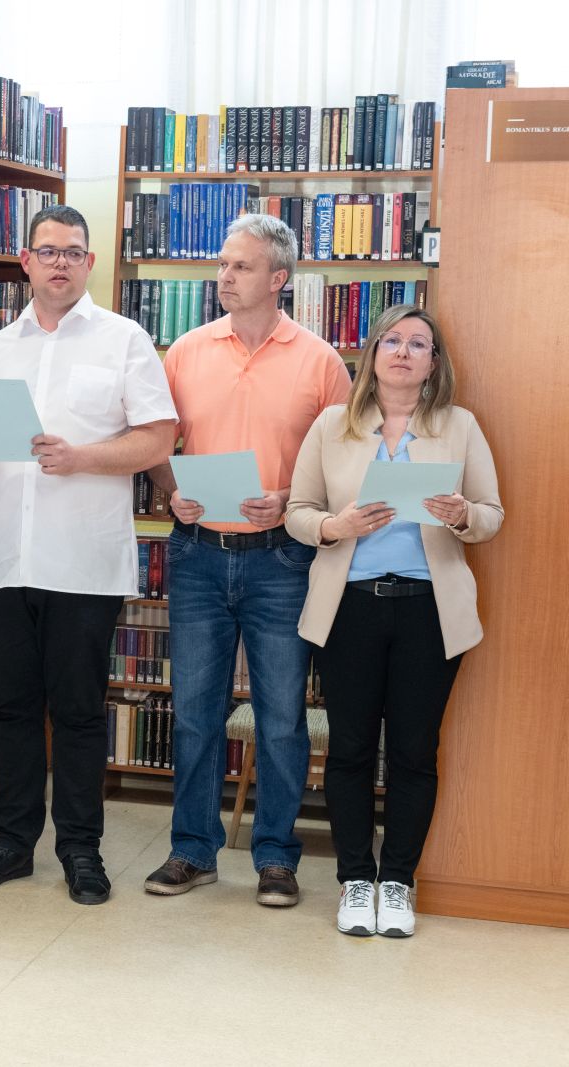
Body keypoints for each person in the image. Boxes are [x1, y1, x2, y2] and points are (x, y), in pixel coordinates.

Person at [0, 205, 177, 904]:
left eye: (72, 252)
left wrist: (81, 457)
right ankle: (13, 842)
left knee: (78, 712)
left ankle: (81, 849)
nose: (59, 263)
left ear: (89, 263)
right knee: (12, 708)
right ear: (25, 261)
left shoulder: (124, 340)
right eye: (47, 251)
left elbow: (158, 438)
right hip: (4, 558)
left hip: (83, 560)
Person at [141, 213, 351, 906]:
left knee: (282, 716)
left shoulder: (320, 362)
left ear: (278, 278)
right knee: (194, 712)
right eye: (223, 264)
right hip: (198, 553)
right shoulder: (186, 352)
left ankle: (276, 858)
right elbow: (157, 446)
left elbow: (346, 464)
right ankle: (192, 850)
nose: (224, 276)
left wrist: (290, 499)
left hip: (281, 560)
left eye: (240, 266)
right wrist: (172, 490)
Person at [285, 305, 502, 938]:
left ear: (434, 364)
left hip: (428, 612)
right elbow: (298, 512)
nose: (404, 352)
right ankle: (356, 879)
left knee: (413, 751)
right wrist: (337, 525)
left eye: (418, 344)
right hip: (349, 607)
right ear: (373, 353)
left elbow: (491, 515)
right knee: (350, 749)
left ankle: (398, 883)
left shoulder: (459, 426)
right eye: (393, 340)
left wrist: (462, 515)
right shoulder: (332, 425)